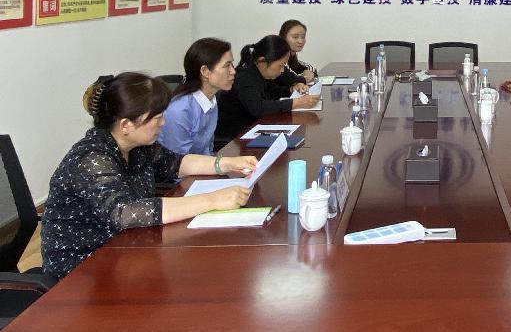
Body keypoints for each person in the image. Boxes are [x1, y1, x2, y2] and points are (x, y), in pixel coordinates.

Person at [41, 73, 258, 279]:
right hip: (84, 267)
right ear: (126, 125)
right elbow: (124, 212)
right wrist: (212, 200)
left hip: (128, 247)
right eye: (156, 117)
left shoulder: (137, 145)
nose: (163, 123)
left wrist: (226, 163)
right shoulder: (92, 159)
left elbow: (175, 163)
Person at [215, 35, 320, 146]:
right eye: (280, 65)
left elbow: (271, 92)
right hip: (232, 139)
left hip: (251, 130)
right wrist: (296, 103)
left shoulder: (259, 72)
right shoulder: (245, 77)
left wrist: (290, 90)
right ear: (263, 62)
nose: (282, 70)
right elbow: (257, 108)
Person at [158, 38, 234, 156]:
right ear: (205, 71)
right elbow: (178, 162)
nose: (233, 71)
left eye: (232, 65)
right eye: (227, 65)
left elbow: (207, 149)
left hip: (201, 165)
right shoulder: (179, 110)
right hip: (181, 166)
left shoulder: (211, 101)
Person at [275, 19, 317, 87]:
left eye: (303, 37)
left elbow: (312, 69)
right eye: (295, 37)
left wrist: (308, 72)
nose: (300, 41)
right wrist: (304, 78)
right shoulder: (278, 56)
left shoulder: (292, 55)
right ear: (283, 37)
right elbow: (291, 78)